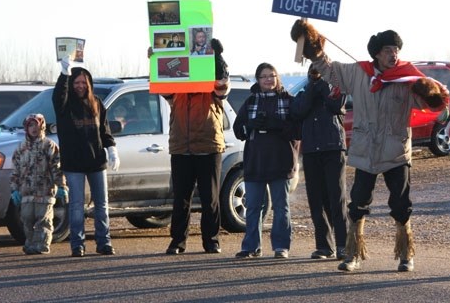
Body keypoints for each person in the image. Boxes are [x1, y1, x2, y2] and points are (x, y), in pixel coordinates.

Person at [290, 20, 449, 272]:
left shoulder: (408, 78)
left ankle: (405, 253)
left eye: (395, 50)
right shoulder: (359, 73)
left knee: (400, 205)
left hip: (396, 151)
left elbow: (433, 105)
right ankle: (352, 254)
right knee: (357, 205)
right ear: (376, 53)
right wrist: (313, 48)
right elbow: (330, 70)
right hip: (365, 151)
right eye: (387, 50)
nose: (393, 54)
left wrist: (435, 99)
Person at [148, 38, 230, 255]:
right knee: (180, 198)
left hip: (209, 147)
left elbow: (222, 84)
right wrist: (155, 60)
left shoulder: (211, 86)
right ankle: (177, 242)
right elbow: (160, 85)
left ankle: (211, 241)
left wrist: (218, 57)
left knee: (209, 198)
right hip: (181, 148)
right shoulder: (177, 87)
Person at [52, 57, 120, 257]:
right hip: (74, 163)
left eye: (84, 82)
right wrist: (65, 74)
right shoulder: (65, 104)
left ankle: (104, 242)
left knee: (102, 204)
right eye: (77, 82)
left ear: (89, 84)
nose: (80, 86)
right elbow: (58, 96)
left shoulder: (96, 103)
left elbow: (105, 131)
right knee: (76, 206)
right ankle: (77, 244)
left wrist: (112, 149)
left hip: (97, 161)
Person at [233, 62, 301, 259]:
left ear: (277, 77)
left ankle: (281, 247)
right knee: (253, 207)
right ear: (258, 80)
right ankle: (251, 247)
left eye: (272, 75)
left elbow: (297, 131)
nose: (268, 79)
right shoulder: (251, 102)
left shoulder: (289, 100)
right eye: (264, 76)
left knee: (281, 207)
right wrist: (250, 125)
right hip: (256, 162)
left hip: (281, 161)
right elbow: (239, 130)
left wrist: (279, 126)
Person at [290, 64, 348, 260]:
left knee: (336, 197)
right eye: (312, 72)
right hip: (312, 150)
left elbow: (336, 106)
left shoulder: (335, 88)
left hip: (333, 147)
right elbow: (298, 111)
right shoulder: (304, 92)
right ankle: (324, 246)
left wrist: (323, 86)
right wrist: (312, 89)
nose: (315, 75)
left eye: (319, 72)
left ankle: (343, 245)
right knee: (316, 200)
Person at [10, 113, 67, 254]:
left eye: (36, 124)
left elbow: (57, 167)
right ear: (26, 128)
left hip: (45, 191)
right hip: (26, 192)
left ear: (42, 125)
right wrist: (14, 189)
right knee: (27, 219)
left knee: (44, 220)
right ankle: (30, 243)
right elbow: (15, 171)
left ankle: (42, 244)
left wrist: (61, 186)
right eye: (30, 125)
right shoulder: (21, 148)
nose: (33, 128)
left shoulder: (49, 145)